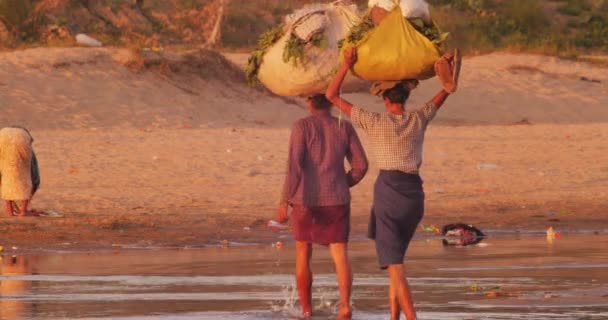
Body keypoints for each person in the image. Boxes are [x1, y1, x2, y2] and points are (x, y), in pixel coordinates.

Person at [325, 47, 461, 320]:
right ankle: (394, 316)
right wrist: (449, 73)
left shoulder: (373, 121)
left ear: (385, 98)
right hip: (414, 194)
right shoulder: (418, 118)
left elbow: (331, 96)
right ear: (404, 97)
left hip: (388, 192)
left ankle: (411, 317)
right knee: (394, 260)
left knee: (394, 264)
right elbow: (447, 90)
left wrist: (346, 64)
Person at [275, 94, 368, 319]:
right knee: (340, 255)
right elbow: (361, 165)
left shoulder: (301, 127)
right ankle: (345, 307)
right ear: (331, 103)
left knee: (303, 252)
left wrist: (284, 201)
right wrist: (343, 182)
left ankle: (306, 311)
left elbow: (295, 167)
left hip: (305, 201)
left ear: (309, 103)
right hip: (337, 199)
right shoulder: (343, 126)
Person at [0, 126, 40, 217]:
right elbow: (34, 177)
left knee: (6, 174)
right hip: (21, 136)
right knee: (26, 175)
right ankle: (23, 210)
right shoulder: (27, 140)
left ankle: (9, 209)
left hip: (2, 134)